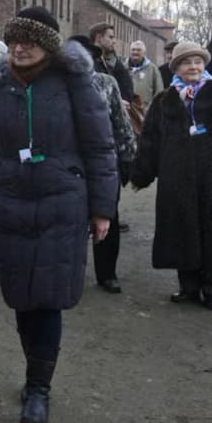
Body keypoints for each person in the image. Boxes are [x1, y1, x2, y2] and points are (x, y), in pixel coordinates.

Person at [0, 8, 117, 423]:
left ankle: (38, 389)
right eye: (15, 40)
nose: (20, 47)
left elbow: (101, 148)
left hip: (63, 204)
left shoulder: (74, 82)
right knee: (22, 297)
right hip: (11, 203)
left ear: (48, 44)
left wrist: (102, 209)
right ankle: (35, 370)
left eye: (29, 40)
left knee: (48, 298)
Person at [131, 41, 212, 311]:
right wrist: (141, 173)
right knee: (181, 230)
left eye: (198, 62)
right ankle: (188, 286)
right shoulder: (164, 101)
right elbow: (150, 141)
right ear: (176, 67)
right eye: (186, 62)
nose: (193, 67)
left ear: (204, 65)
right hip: (176, 180)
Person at [69, 35, 136, 294]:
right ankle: (70, 272)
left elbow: (121, 122)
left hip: (103, 161)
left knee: (107, 215)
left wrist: (127, 157)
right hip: (69, 162)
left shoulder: (106, 83)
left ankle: (107, 273)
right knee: (70, 218)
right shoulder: (57, 84)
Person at [89, 23, 135, 102]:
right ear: (99, 38)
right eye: (110, 37)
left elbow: (128, 91)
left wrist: (121, 102)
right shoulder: (87, 62)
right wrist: (116, 102)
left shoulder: (115, 63)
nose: (114, 41)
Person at [128, 40, 163, 114]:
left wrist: (151, 108)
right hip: (127, 111)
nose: (135, 52)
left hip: (146, 112)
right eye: (133, 50)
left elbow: (159, 92)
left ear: (144, 52)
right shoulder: (123, 68)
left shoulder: (153, 69)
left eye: (138, 50)